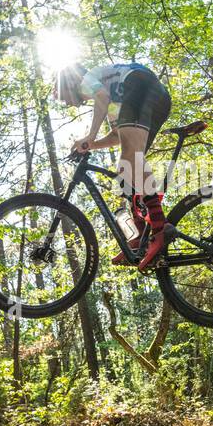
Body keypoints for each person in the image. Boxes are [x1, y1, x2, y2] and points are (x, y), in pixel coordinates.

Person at [53, 60, 172, 269]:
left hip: (140, 85)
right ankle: (138, 238)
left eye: (64, 98)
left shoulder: (87, 78)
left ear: (70, 84)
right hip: (156, 98)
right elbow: (118, 134)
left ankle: (160, 229)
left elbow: (101, 98)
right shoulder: (113, 97)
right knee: (126, 170)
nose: (68, 104)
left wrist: (90, 135)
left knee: (131, 160)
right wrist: (91, 144)